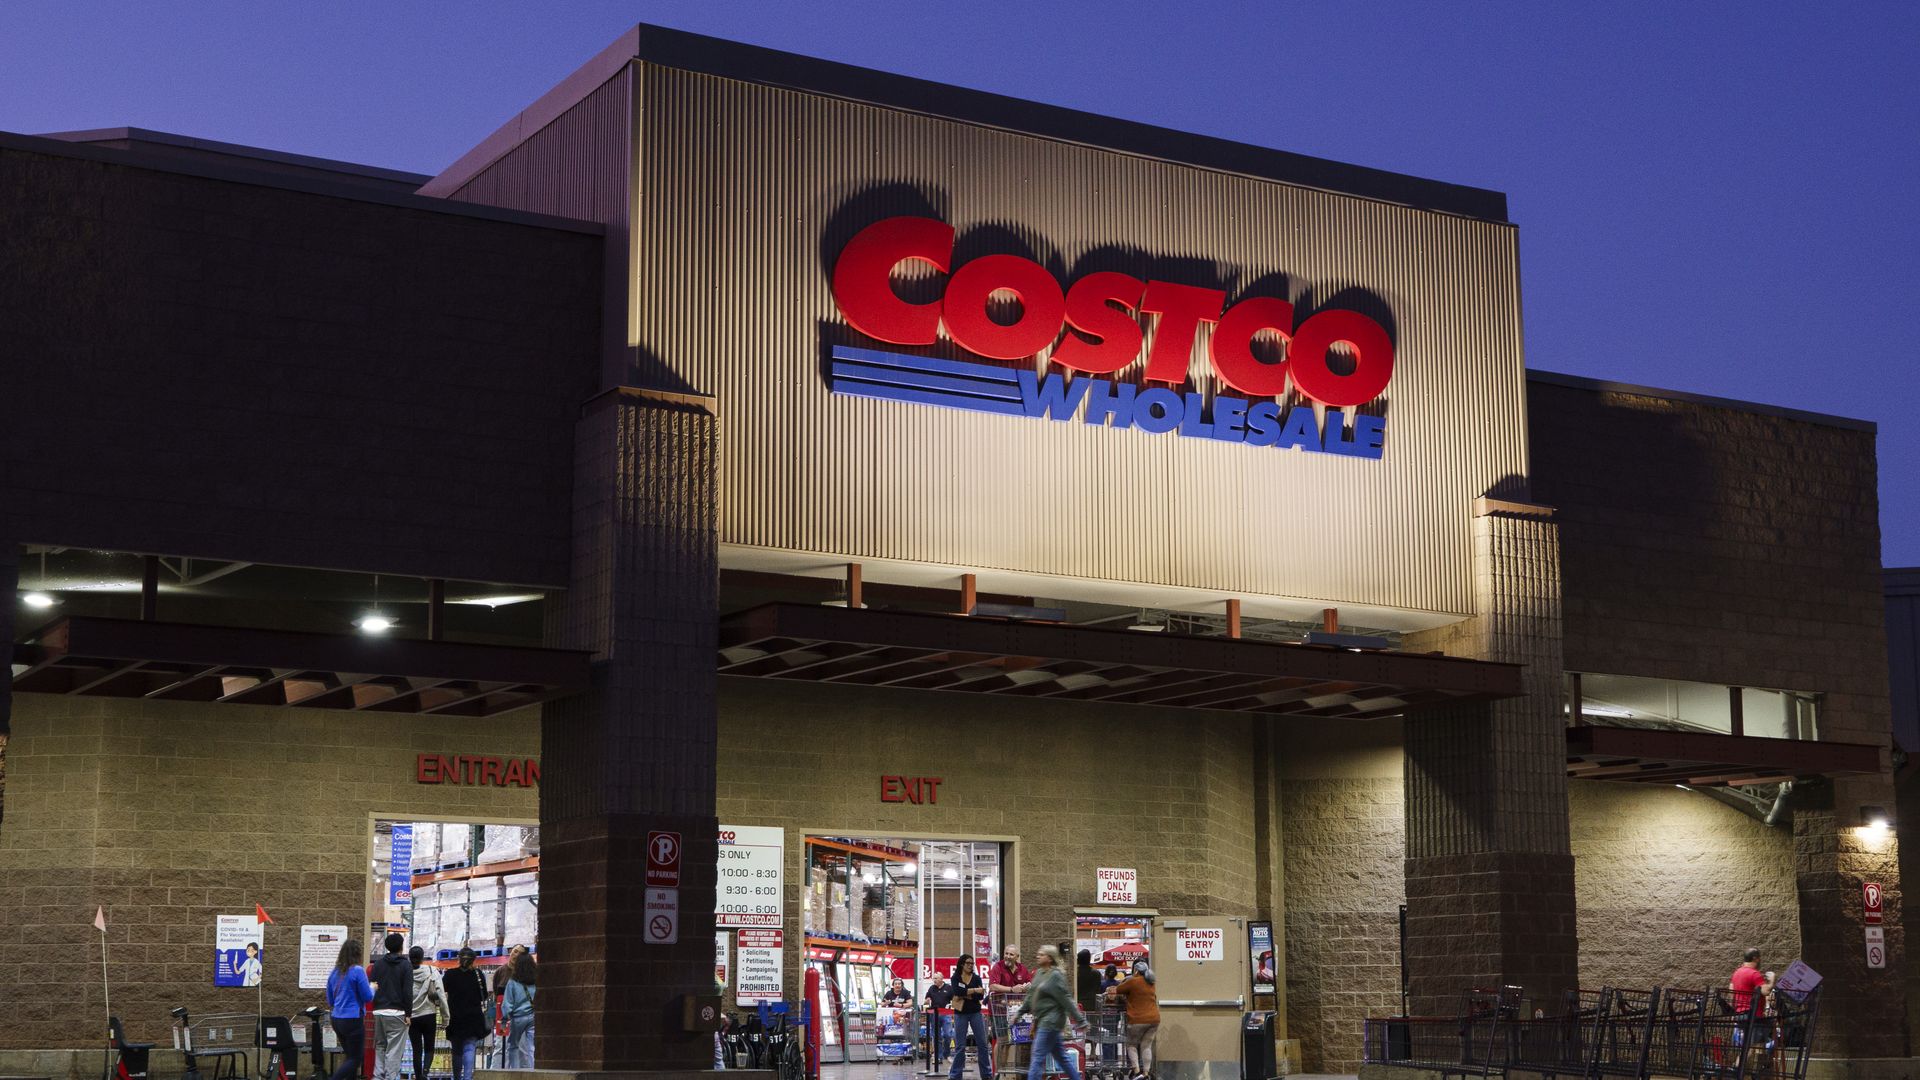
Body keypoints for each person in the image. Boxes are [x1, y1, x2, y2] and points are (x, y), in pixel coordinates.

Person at [1018, 945, 1084, 1080]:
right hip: (1042, 1020)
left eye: (1042, 954)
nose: (1038, 956)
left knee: (1037, 1057)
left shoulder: (1055, 976)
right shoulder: (1039, 973)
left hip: (1051, 1021)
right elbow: (1030, 995)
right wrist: (1019, 1013)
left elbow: (1066, 999)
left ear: (1049, 958)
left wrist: (1080, 1020)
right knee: (1061, 1057)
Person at [325, 938, 374, 1080]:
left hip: (336, 1019)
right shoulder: (358, 971)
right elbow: (367, 996)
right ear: (358, 954)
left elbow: (330, 1000)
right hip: (352, 1019)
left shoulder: (334, 972)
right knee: (356, 1059)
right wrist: (373, 988)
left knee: (350, 1056)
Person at [367, 933, 414, 1080]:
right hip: (397, 1012)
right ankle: (390, 1077)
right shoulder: (405, 965)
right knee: (394, 1049)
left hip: (379, 1011)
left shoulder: (377, 964)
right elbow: (407, 992)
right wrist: (408, 1014)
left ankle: (377, 1076)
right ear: (401, 947)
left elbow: (372, 985)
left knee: (380, 1045)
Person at [443, 947, 492, 1080]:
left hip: (455, 1017)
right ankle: (468, 1077)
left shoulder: (450, 974)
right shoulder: (478, 975)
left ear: (458, 959)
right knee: (470, 1047)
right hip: (473, 1016)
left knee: (456, 1050)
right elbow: (484, 995)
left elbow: (442, 991)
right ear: (473, 960)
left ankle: (457, 1077)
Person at [1110, 961, 1159, 1080]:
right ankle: (1146, 1074)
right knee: (1146, 1046)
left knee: (1131, 1045)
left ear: (1136, 970)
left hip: (1138, 1019)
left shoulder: (1133, 981)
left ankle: (1137, 1072)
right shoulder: (1151, 982)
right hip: (1154, 1019)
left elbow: (1118, 989)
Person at [948, 955, 992, 1080]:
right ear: (962, 964)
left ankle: (986, 1075)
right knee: (960, 1046)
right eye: (968, 963)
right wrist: (974, 990)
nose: (970, 965)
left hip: (975, 1013)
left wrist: (967, 993)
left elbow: (980, 996)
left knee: (982, 1044)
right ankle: (955, 1076)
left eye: (972, 963)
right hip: (960, 1013)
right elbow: (957, 992)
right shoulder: (956, 977)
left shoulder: (977, 978)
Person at [408, 946, 446, 1080]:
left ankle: (418, 1076)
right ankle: (425, 1073)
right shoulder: (431, 971)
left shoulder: (405, 973)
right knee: (429, 1047)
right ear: (422, 957)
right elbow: (441, 995)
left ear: (409, 957)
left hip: (412, 1016)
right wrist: (445, 1017)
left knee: (416, 1049)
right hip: (429, 1014)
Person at [504, 948, 538, 1066]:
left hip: (518, 1018)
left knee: (513, 1045)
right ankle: (534, 1070)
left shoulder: (512, 982)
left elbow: (508, 1003)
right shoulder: (536, 981)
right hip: (533, 1017)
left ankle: (514, 1070)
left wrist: (505, 1017)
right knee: (532, 1046)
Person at [925, 970, 957, 1068]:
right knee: (936, 1036)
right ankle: (938, 1056)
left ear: (941, 979)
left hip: (946, 1014)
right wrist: (927, 1000)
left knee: (948, 1034)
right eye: (933, 978)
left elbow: (955, 999)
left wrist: (952, 1007)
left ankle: (947, 1054)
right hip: (934, 1014)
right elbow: (926, 1000)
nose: (934, 980)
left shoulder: (949, 988)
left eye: (936, 978)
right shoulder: (931, 988)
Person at [1729, 948, 1773, 1018]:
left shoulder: (1736, 973)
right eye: (1759, 958)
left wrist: (1733, 1011)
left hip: (1739, 1014)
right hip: (1753, 1014)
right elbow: (1766, 992)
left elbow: (1731, 991)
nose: (1760, 960)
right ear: (1755, 958)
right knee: (1769, 1024)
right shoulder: (1754, 974)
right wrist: (1772, 981)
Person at [1075, 949, 1101, 1014]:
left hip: (1077, 1004)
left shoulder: (1075, 973)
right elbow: (1098, 989)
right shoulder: (1096, 973)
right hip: (1092, 1004)